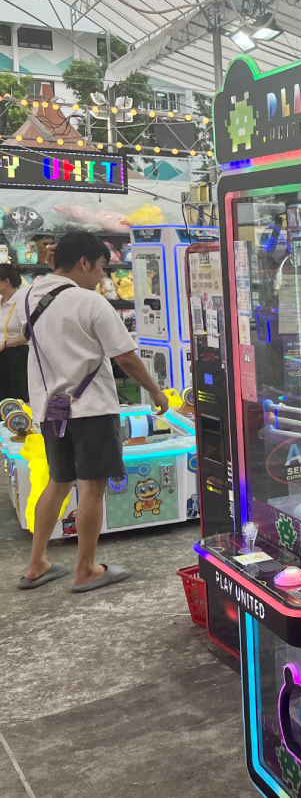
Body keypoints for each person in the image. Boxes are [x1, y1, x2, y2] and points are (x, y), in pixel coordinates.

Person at [15, 231, 169, 592]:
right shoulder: (90, 302)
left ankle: (36, 564)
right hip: (92, 410)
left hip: (50, 410)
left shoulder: (27, 296)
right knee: (92, 489)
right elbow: (126, 357)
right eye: (101, 266)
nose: (102, 276)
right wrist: (155, 390)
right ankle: (86, 569)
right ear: (84, 262)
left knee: (57, 483)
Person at [0, 264, 29, 401]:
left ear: (6, 282)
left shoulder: (22, 302)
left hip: (17, 357)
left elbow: (29, 334)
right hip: (2, 355)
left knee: (16, 399)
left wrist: (5, 344)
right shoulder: (1, 301)